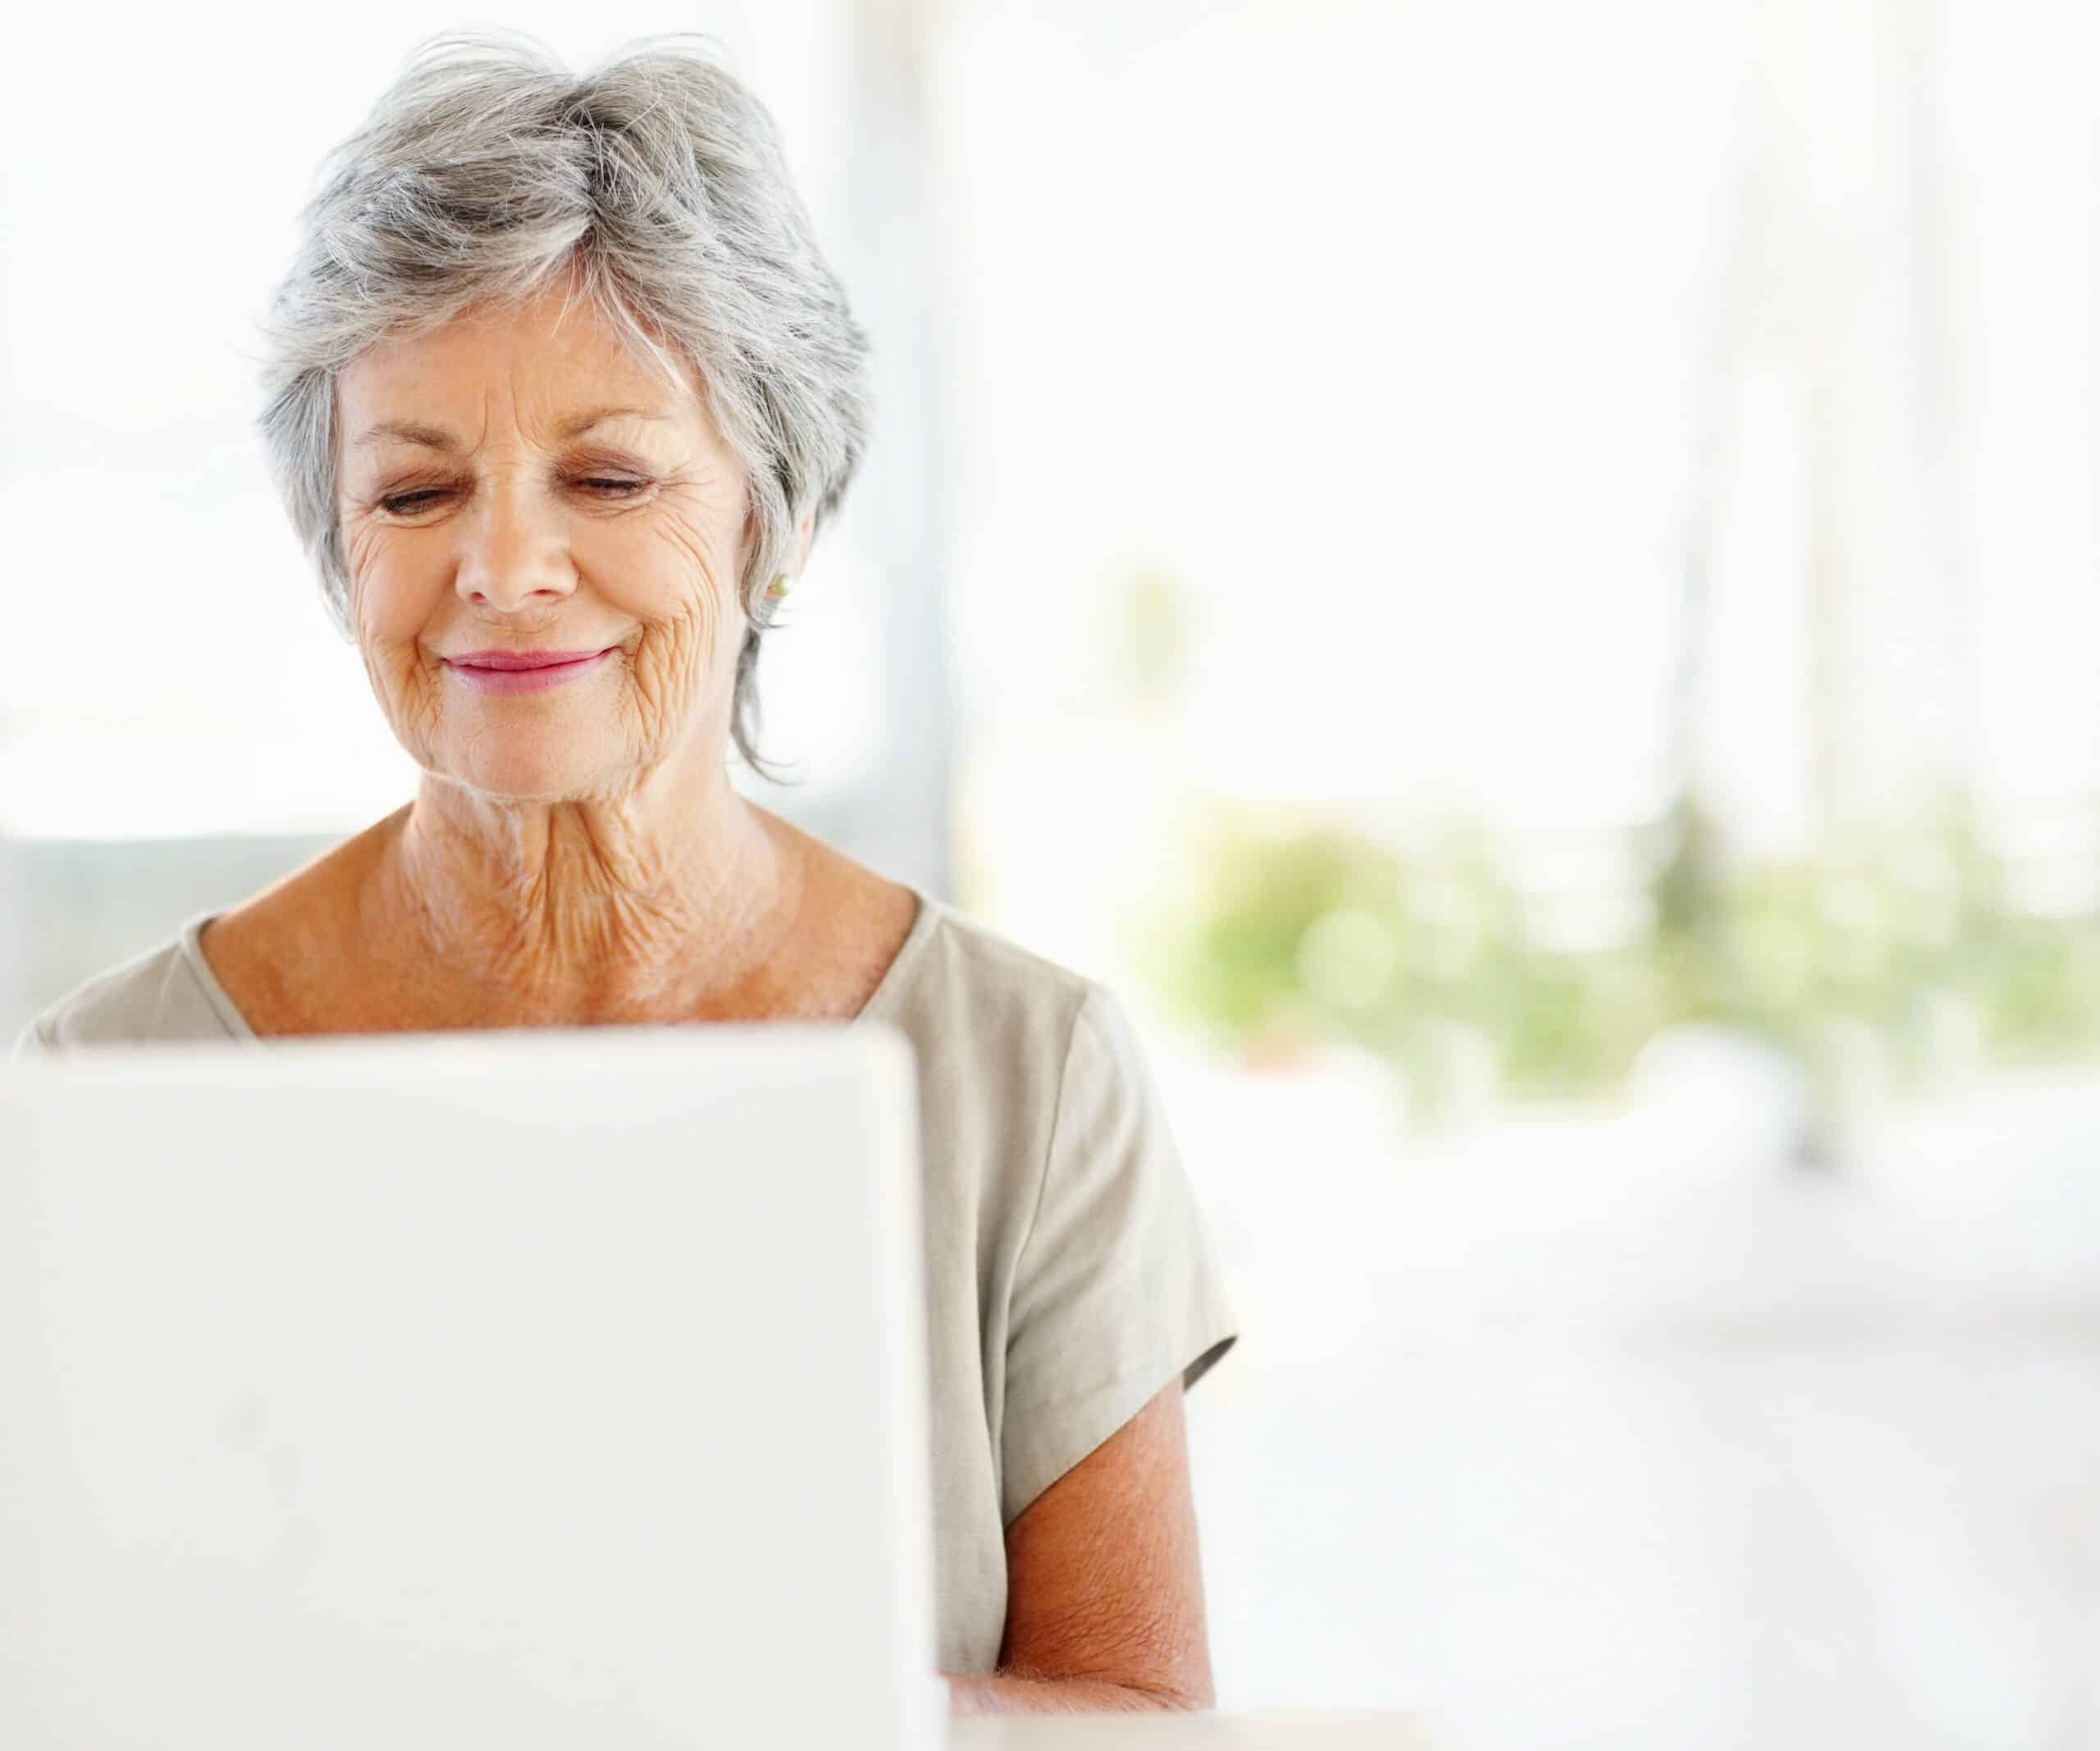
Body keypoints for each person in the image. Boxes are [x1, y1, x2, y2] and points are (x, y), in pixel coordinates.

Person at [10, 31, 1237, 1717]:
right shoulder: (112, 1090)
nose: (506, 567)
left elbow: (1141, 1725)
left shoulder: (1029, 1079)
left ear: (774, 521)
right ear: (335, 546)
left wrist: (700, 1692)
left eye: (609, 477)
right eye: (416, 489)